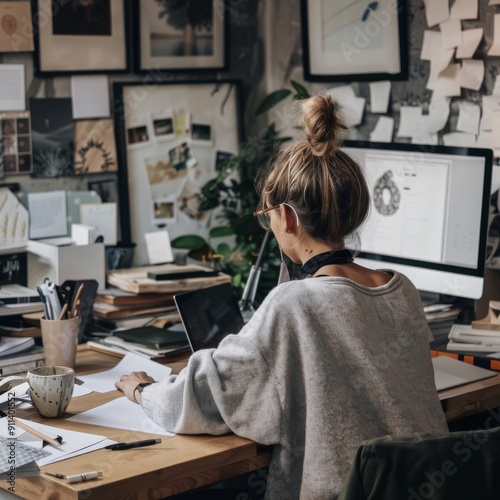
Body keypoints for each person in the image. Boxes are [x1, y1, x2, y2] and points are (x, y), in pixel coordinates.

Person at [116, 94, 448, 499]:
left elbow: (201, 398)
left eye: (268, 217)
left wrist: (142, 389)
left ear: (287, 218)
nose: (270, 227)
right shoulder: (400, 288)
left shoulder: (294, 305)